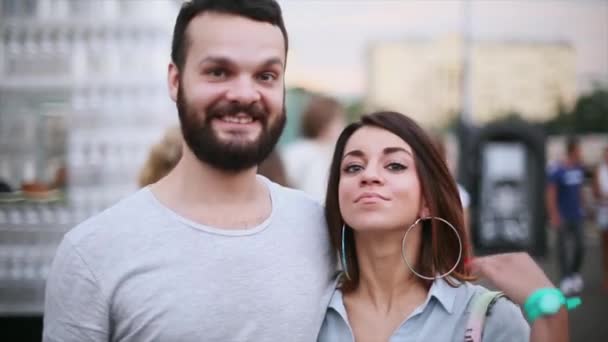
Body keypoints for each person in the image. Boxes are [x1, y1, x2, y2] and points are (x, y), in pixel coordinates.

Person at [43, 1, 336, 340]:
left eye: (266, 76)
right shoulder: (93, 253)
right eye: (218, 71)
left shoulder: (321, 230)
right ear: (175, 80)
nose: (244, 94)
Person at [318, 111, 573, 342]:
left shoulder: (488, 318)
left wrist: (551, 316)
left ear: (428, 200)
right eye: (353, 167)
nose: (369, 175)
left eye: (395, 165)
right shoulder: (310, 309)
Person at [281, 94, 346, 202]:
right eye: (338, 121)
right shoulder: (303, 153)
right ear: (325, 123)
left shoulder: (332, 151)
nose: (342, 126)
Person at [546, 136, 586, 295]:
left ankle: (574, 273)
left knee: (581, 246)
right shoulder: (558, 170)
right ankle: (565, 278)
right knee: (562, 248)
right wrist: (554, 214)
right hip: (563, 216)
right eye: (579, 150)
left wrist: (584, 207)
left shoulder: (579, 168)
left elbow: (580, 190)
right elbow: (551, 194)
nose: (581, 153)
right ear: (573, 150)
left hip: (577, 215)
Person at [593, 145, 608, 290]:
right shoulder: (599, 170)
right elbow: (596, 192)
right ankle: (606, 278)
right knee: (605, 248)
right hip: (604, 213)